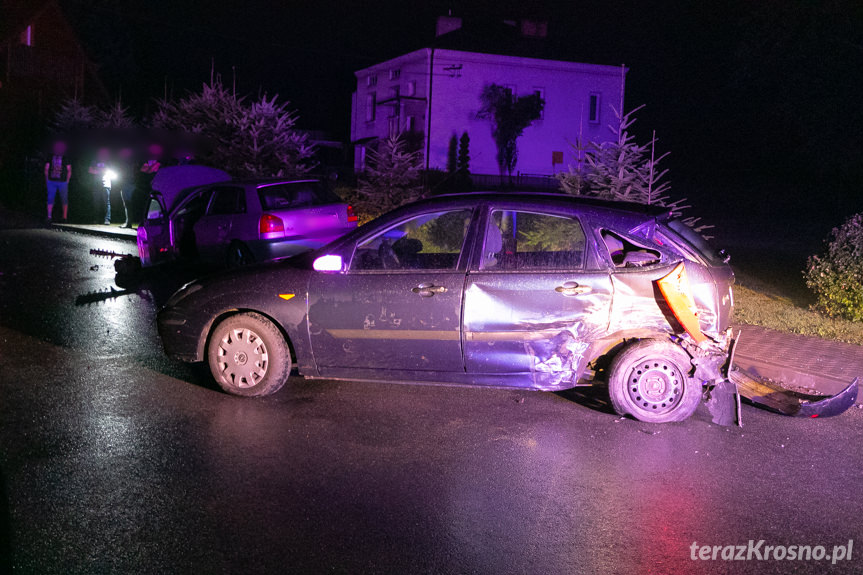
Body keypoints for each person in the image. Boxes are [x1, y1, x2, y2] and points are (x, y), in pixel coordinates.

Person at [44, 140, 71, 222]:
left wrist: (67, 181)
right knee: (50, 199)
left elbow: (69, 170)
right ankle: (49, 216)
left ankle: (64, 217)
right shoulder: (50, 156)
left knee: (64, 199)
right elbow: (46, 168)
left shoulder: (65, 157)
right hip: (52, 181)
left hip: (62, 182)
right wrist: (47, 180)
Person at [88, 147, 114, 225]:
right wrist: (101, 170)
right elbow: (90, 170)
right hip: (96, 184)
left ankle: (107, 219)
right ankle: (97, 219)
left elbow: (108, 170)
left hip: (106, 184)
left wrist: (97, 170)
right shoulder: (94, 161)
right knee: (96, 203)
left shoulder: (108, 162)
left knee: (107, 203)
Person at [117, 146, 137, 228]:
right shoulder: (133, 162)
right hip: (132, 182)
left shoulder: (124, 163)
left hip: (126, 183)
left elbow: (122, 173)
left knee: (127, 203)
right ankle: (128, 222)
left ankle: (128, 223)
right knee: (128, 203)